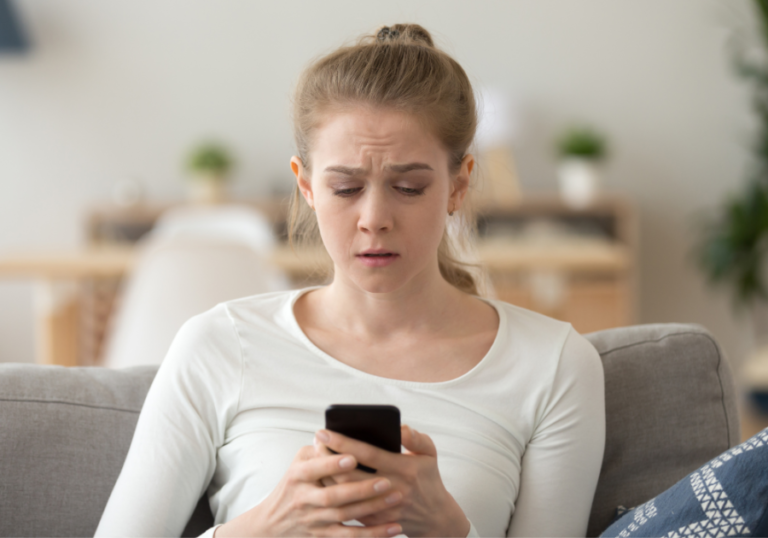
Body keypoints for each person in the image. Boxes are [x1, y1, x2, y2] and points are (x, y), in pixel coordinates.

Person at [95, 24, 605, 537]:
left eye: (408, 187)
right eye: (345, 187)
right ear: (307, 185)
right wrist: (268, 525)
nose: (374, 218)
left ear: (459, 184)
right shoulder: (220, 344)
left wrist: (450, 529)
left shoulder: (554, 365)